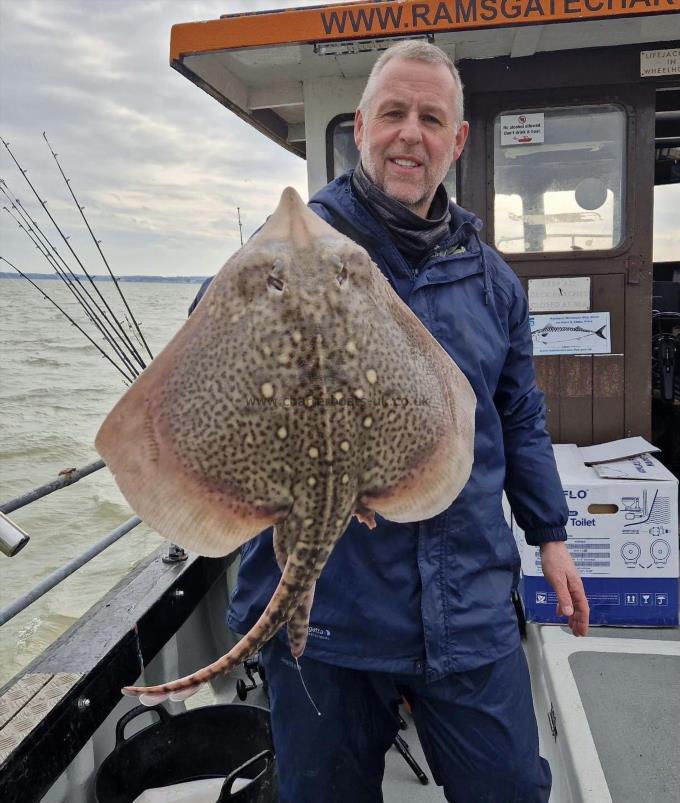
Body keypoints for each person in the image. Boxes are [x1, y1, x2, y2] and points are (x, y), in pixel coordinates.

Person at [191, 40, 589, 803]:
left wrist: (552, 536)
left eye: (431, 118)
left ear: (457, 140)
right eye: (395, 114)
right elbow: (210, 345)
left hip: (468, 597)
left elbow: (519, 415)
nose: (412, 133)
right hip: (331, 609)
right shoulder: (298, 248)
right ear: (363, 127)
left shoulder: (491, 279)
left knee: (510, 788)